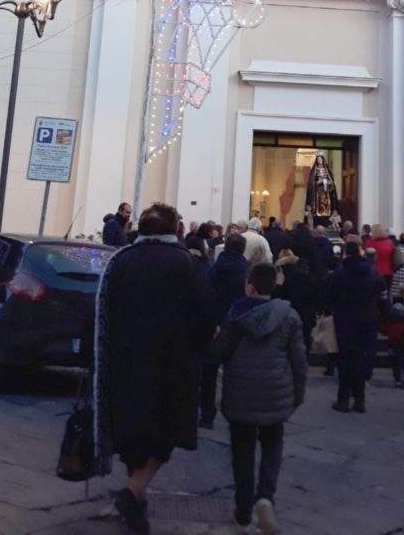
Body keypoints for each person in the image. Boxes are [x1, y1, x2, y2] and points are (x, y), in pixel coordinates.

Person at [94, 203, 218, 534]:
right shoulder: (186, 264)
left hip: (124, 361)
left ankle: (136, 500)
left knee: (132, 432)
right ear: (174, 229)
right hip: (171, 365)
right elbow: (206, 313)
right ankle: (133, 493)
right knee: (165, 433)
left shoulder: (121, 261)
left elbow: (102, 308)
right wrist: (196, 346)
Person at [210, 262, 307, 533]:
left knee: (242, 450)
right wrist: (298, 393)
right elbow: (299, 360)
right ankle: (265, 497)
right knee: (273, 443)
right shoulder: (288, 315)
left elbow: (219, 352)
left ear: (250, 286)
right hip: (274, 392)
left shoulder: (235, 315)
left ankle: (243, 509)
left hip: (241, 392)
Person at [200, 233, 249, 429]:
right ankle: (236, 414)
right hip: (237, 324)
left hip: (215, 325)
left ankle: (207, 415)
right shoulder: (246, 271)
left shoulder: (213, 269)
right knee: (236, 373)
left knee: (209, 373)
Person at [327, 241, 379, 413]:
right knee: (360, 360)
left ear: (345, 253)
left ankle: (343, 399)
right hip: (366, 319)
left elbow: (330, 294)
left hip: (345, 320)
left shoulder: (340, 272)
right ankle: (359, 399)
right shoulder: (371, 271)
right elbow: (379, 291)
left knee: (345, 361)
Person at [305, 154, 338, 224]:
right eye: (318, 159)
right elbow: (312, 183)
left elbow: (331, 181)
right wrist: (318, 182)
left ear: (323, 160)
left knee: (326, 205)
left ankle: (327, 218)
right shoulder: (315, 171)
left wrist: (328, 183)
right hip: (318, 192)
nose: (319, 160)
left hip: (326, 192)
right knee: (318, 206)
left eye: (320, 159)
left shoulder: (327, 170)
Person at [365, 224, 396, 290]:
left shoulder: (369, 243)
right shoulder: (390, 243)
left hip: (374, 272)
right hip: (388, 272)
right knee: (387, 292)